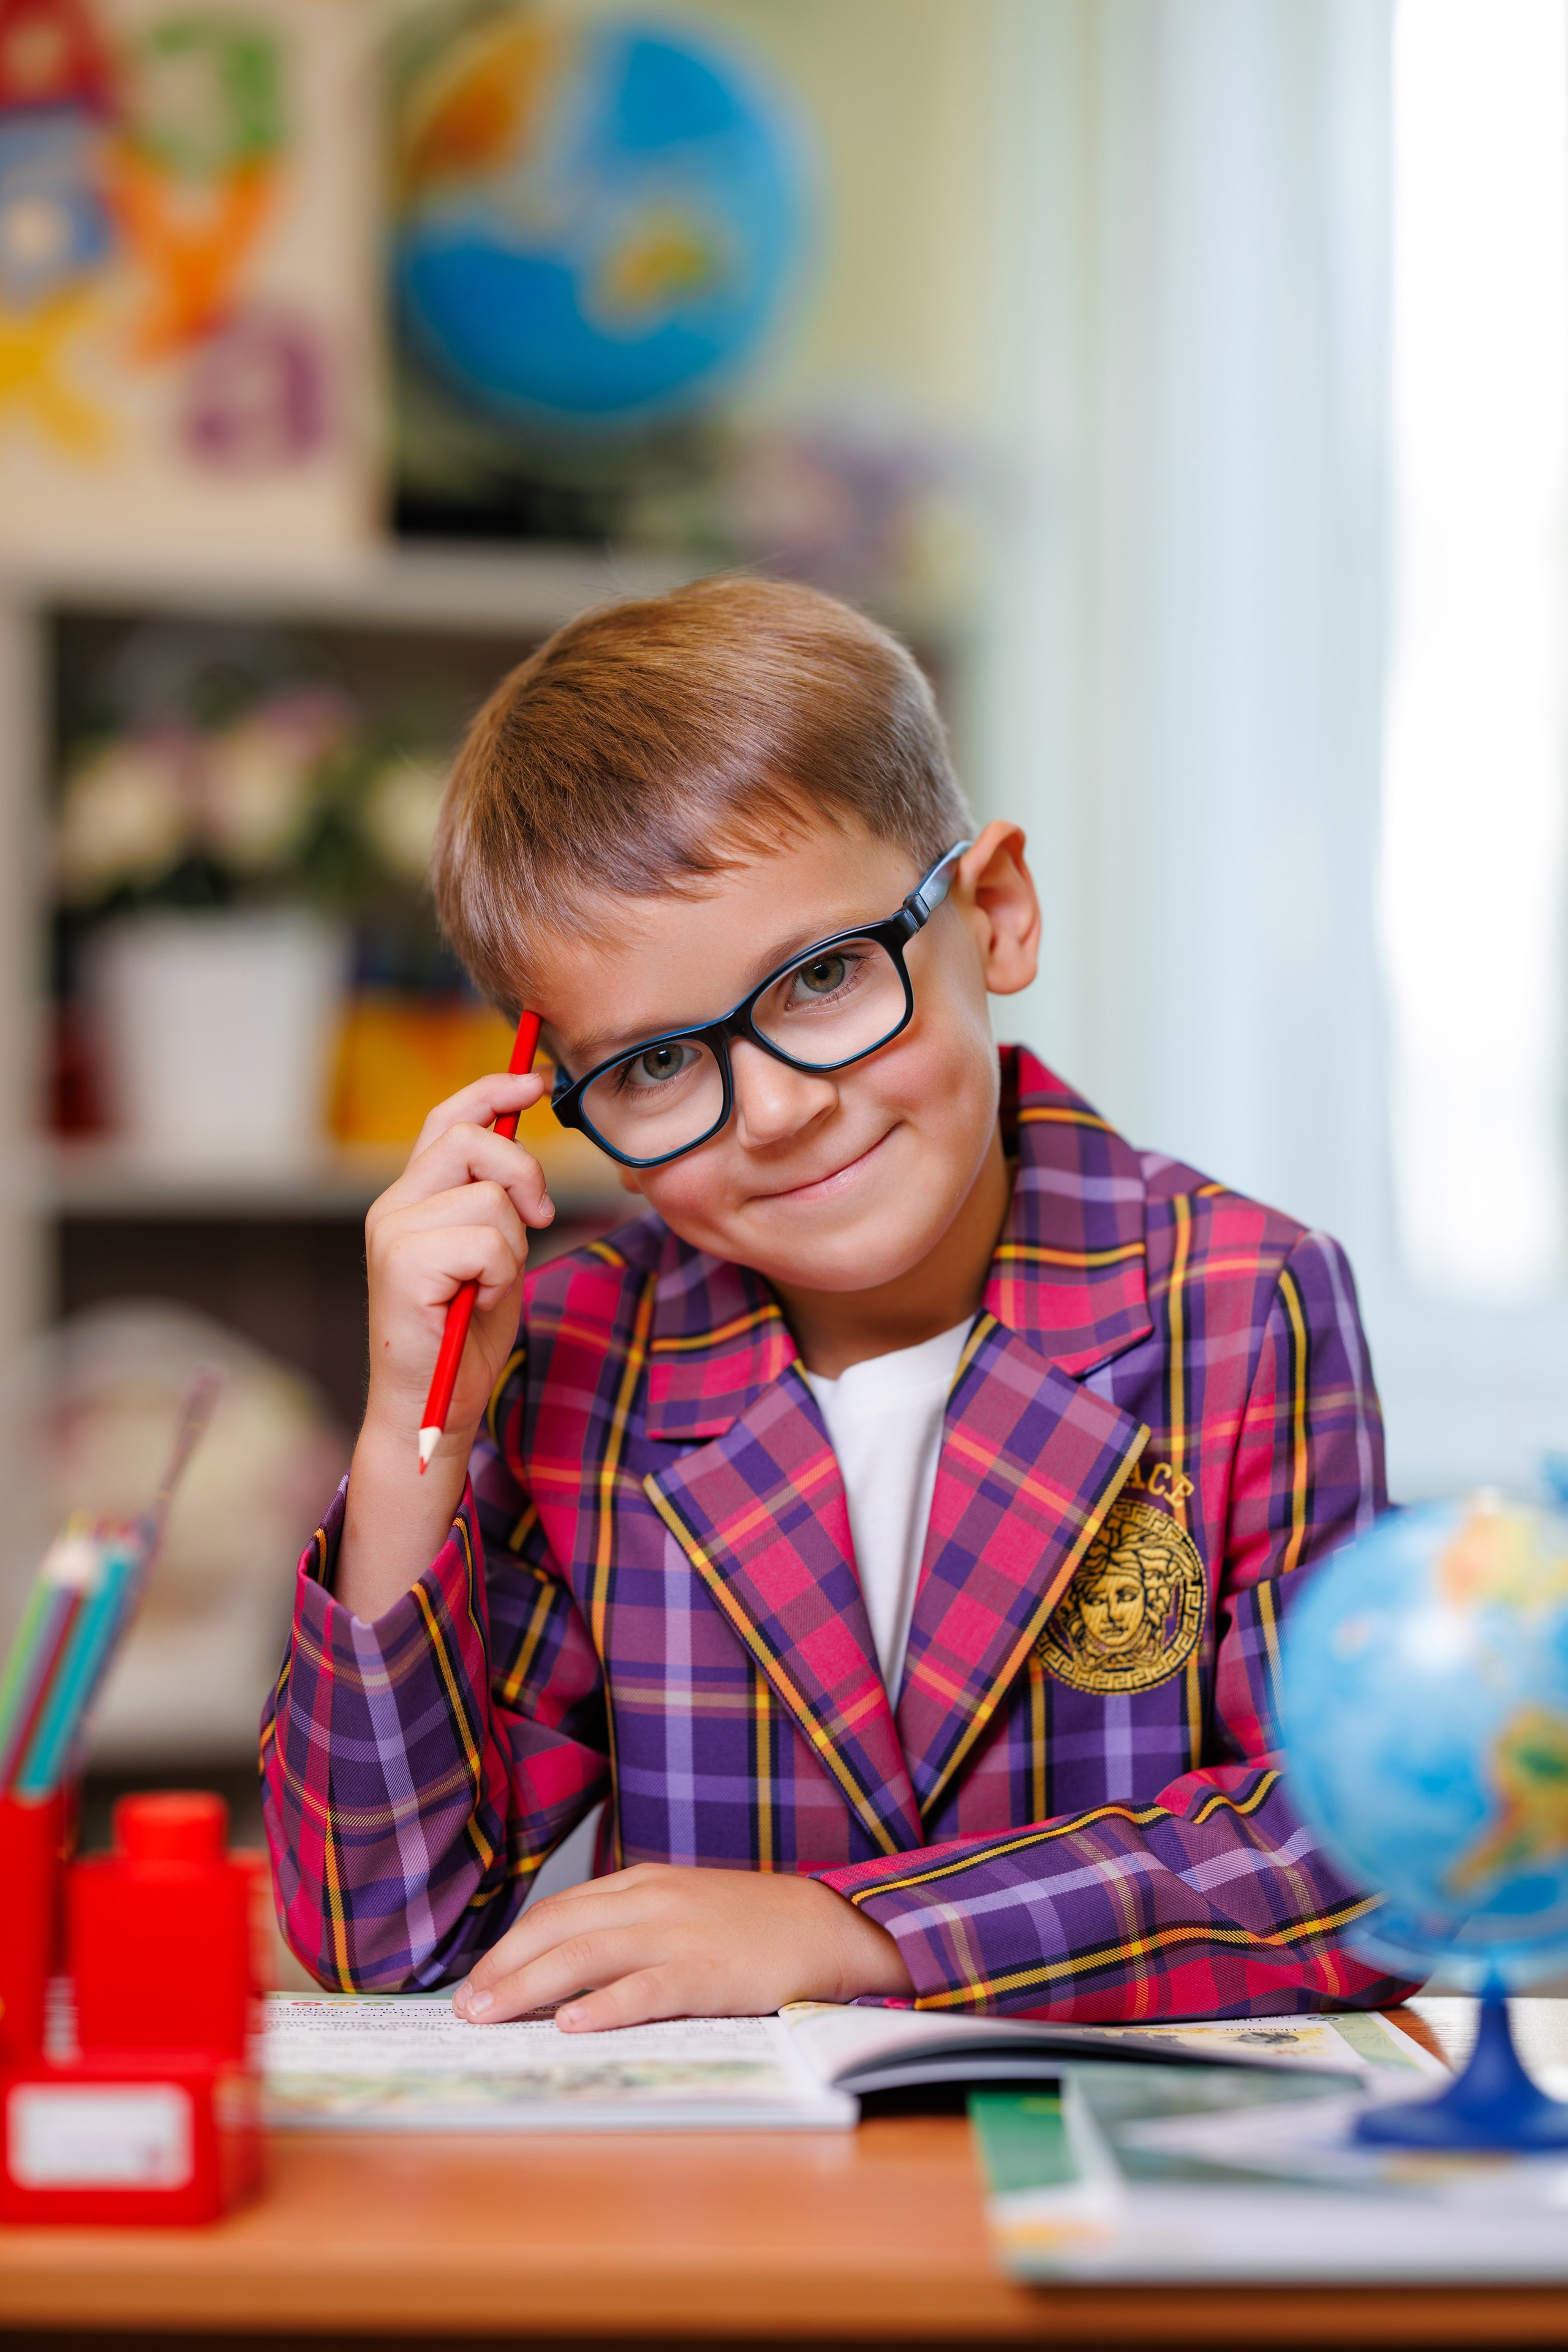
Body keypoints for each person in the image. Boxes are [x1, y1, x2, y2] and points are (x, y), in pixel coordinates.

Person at [262, 576, 1408, 2028]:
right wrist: (403, 1436)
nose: (778, 1113)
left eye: (817, 980)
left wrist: (850, 1930)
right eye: (659, 1065)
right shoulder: (584, 1359)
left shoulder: (1242, 1305)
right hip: (737, 2212)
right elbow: (380, 1937)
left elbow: (1351, 1864)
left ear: (991, 913)